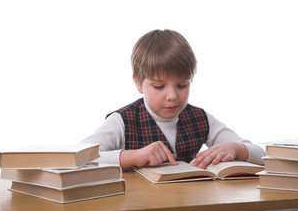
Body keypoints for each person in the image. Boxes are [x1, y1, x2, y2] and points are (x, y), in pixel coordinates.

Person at [82, 29, 265, 170]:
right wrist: (134, 156)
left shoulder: (200, 118)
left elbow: (261, 155)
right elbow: (78, 157)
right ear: (138, 83)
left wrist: (236, 148)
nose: (172, 96)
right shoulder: (122, 121)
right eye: (159, 87)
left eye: (182, 85)